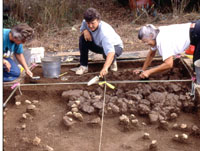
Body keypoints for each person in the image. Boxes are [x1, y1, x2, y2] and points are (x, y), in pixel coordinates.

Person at [134, 20, 200, 79]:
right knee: (196, 65)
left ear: (151, 36)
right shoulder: (156, 34)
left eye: (146, 41)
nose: (146, 44)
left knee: (198, 67)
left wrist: (149, 72)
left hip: (197, 32)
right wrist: (143, 70)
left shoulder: (163, 40)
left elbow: (169, 64)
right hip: (195, 30)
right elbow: (151, 54)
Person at [76, 8, 123, 77]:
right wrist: (85, 31)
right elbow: (83, 26)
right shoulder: (86, 21)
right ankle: (84, 66)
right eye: (88, 23)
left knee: (106, 54)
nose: (90, 26)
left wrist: (105, 68)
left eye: (93, 23)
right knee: (82, 38)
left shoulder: (104, 33)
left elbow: (111, 52)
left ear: (98, 20)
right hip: (99, 44)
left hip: (115, 47)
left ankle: (112, 61)